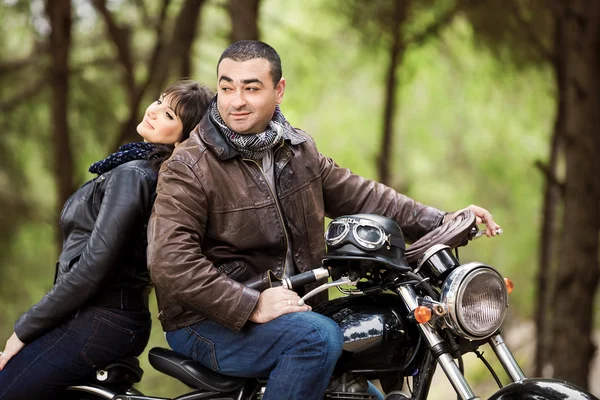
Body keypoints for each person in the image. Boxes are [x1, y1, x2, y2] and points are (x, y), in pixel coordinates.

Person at [147, 41, 501, 400]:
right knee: (316, 338)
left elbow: (364, 196)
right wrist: (251, 304)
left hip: (295, 311)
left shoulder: (297, 151)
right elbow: (169, 261)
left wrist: (444, 220)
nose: (236, 100)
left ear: (278, 90)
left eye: (251, 88)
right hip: (207, 321)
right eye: (226, 88)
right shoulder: (189, 166)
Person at [0, 80, 213, 400]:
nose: (154, 111)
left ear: (185, 138)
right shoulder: (149, 172)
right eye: (158, 101)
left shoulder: (135, 175)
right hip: (110, 318)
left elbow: (93, 268)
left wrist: (24, 329)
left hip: (98, 320)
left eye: (169, 115)